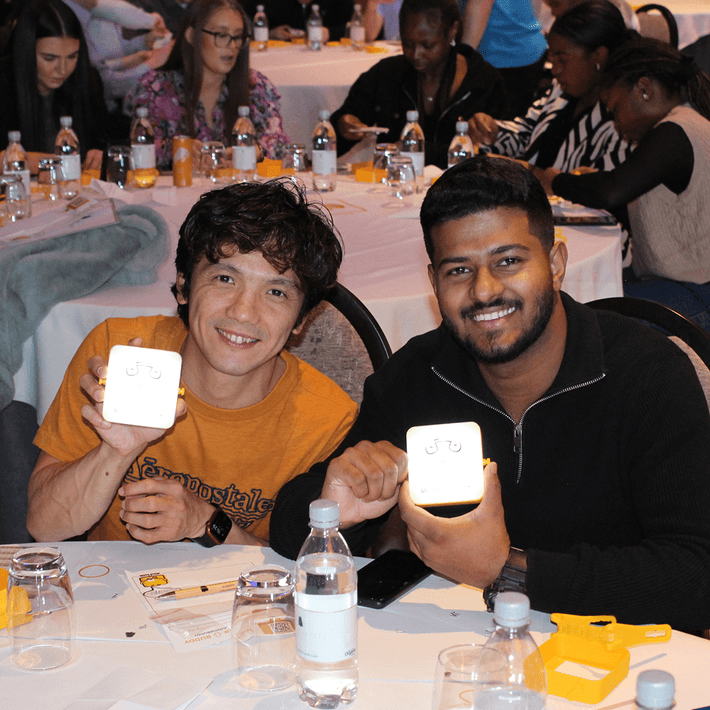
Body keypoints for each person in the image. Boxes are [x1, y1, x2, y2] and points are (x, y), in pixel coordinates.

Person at [269, 156, 710, 631]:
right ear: (433, 281)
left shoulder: (644, 372)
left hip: (616, 668)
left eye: (508, 261)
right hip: (459, 655)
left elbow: (697, 576)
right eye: (458, 270)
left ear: (556, 264)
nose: (484, 291)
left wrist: (508, 570)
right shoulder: (420, 374)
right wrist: (334, 512)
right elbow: (288, 524)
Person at [27, 179, 357, 546]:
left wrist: (206, 522)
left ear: (301, 320)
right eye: (224, 278)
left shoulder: (326, 420)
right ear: (183, 286)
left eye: (276, 292)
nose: (244, 312)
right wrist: (116, 450)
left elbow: (308, 569)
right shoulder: (120, 354)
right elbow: (44, 525)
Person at [551, 38, 710, 330]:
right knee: (582, 290)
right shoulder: (680, 128)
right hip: (680, 285)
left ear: (645, 90)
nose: (616, 124)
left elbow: (610, 191)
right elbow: (649, 214)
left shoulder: (676, 130)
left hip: (697, 295)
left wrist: (555, 181)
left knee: (581, 312)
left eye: (614, 111)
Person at [331, 0, 509, 168]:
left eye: (428, 45)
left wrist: (417, 150)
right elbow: (339, 129)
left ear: (452, 31)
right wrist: (344, 125)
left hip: (462, 192)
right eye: (408, 44)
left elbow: (497, 160)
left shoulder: (483, 82)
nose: (416, 54)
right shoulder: (388, 73)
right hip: (395, 191)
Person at [468, 0, 631, 179]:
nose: (554, 70)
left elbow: (597, 187)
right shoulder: (560, 90)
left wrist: (533, 173)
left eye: (562, 60)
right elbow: (527, 132)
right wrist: (493, 131)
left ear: (598, 56)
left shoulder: (622, 117)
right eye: (553, 60)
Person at [125, 0, 289, 170]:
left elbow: (279, 144)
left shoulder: (256, 86)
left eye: (238, 36)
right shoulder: (155, 88)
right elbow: (138, 151)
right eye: (222, 35)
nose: (232, 45)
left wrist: (258, 151)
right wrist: (175, 150)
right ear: (191, 36)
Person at [0, 0, 107, 172]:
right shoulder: (4, 84)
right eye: (50, 58)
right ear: (26, 52)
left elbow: (101, 139)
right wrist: (29, 161)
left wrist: (100, 154)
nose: (63, 70)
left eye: (72, 57)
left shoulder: (86, 80)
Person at [461, 0, 548, 116]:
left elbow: (480, 4)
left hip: (502, 53)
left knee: (491, 127)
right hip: (527, 45)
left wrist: (462, 58)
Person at [240, 0, 354, 42]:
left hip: (328, 60)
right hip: (278, 62)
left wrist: (330, 33)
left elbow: (355, 28)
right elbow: (240, 30)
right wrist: (269, 33)